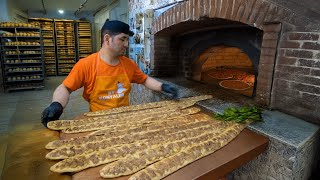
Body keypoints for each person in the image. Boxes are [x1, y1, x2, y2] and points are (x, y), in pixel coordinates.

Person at [41, 20, 178, 127]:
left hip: (125, 120)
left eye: (127, 40)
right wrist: (56, 104)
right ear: (107, 39)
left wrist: (163, 87)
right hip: (98, 122)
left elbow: (144, 80)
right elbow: (65, 87)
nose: (126, 44)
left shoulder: (129, 64)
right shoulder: (86, 65)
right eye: (122, 39)